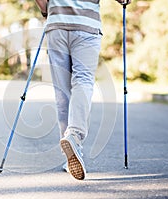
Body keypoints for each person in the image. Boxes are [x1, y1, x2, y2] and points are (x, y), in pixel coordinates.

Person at [35, 0, 131, 180]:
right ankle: (74, 136)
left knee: (62, 93)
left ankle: (72, 152)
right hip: (87, 25)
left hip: (57, 25)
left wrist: (46, 12)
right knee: (83, 82)